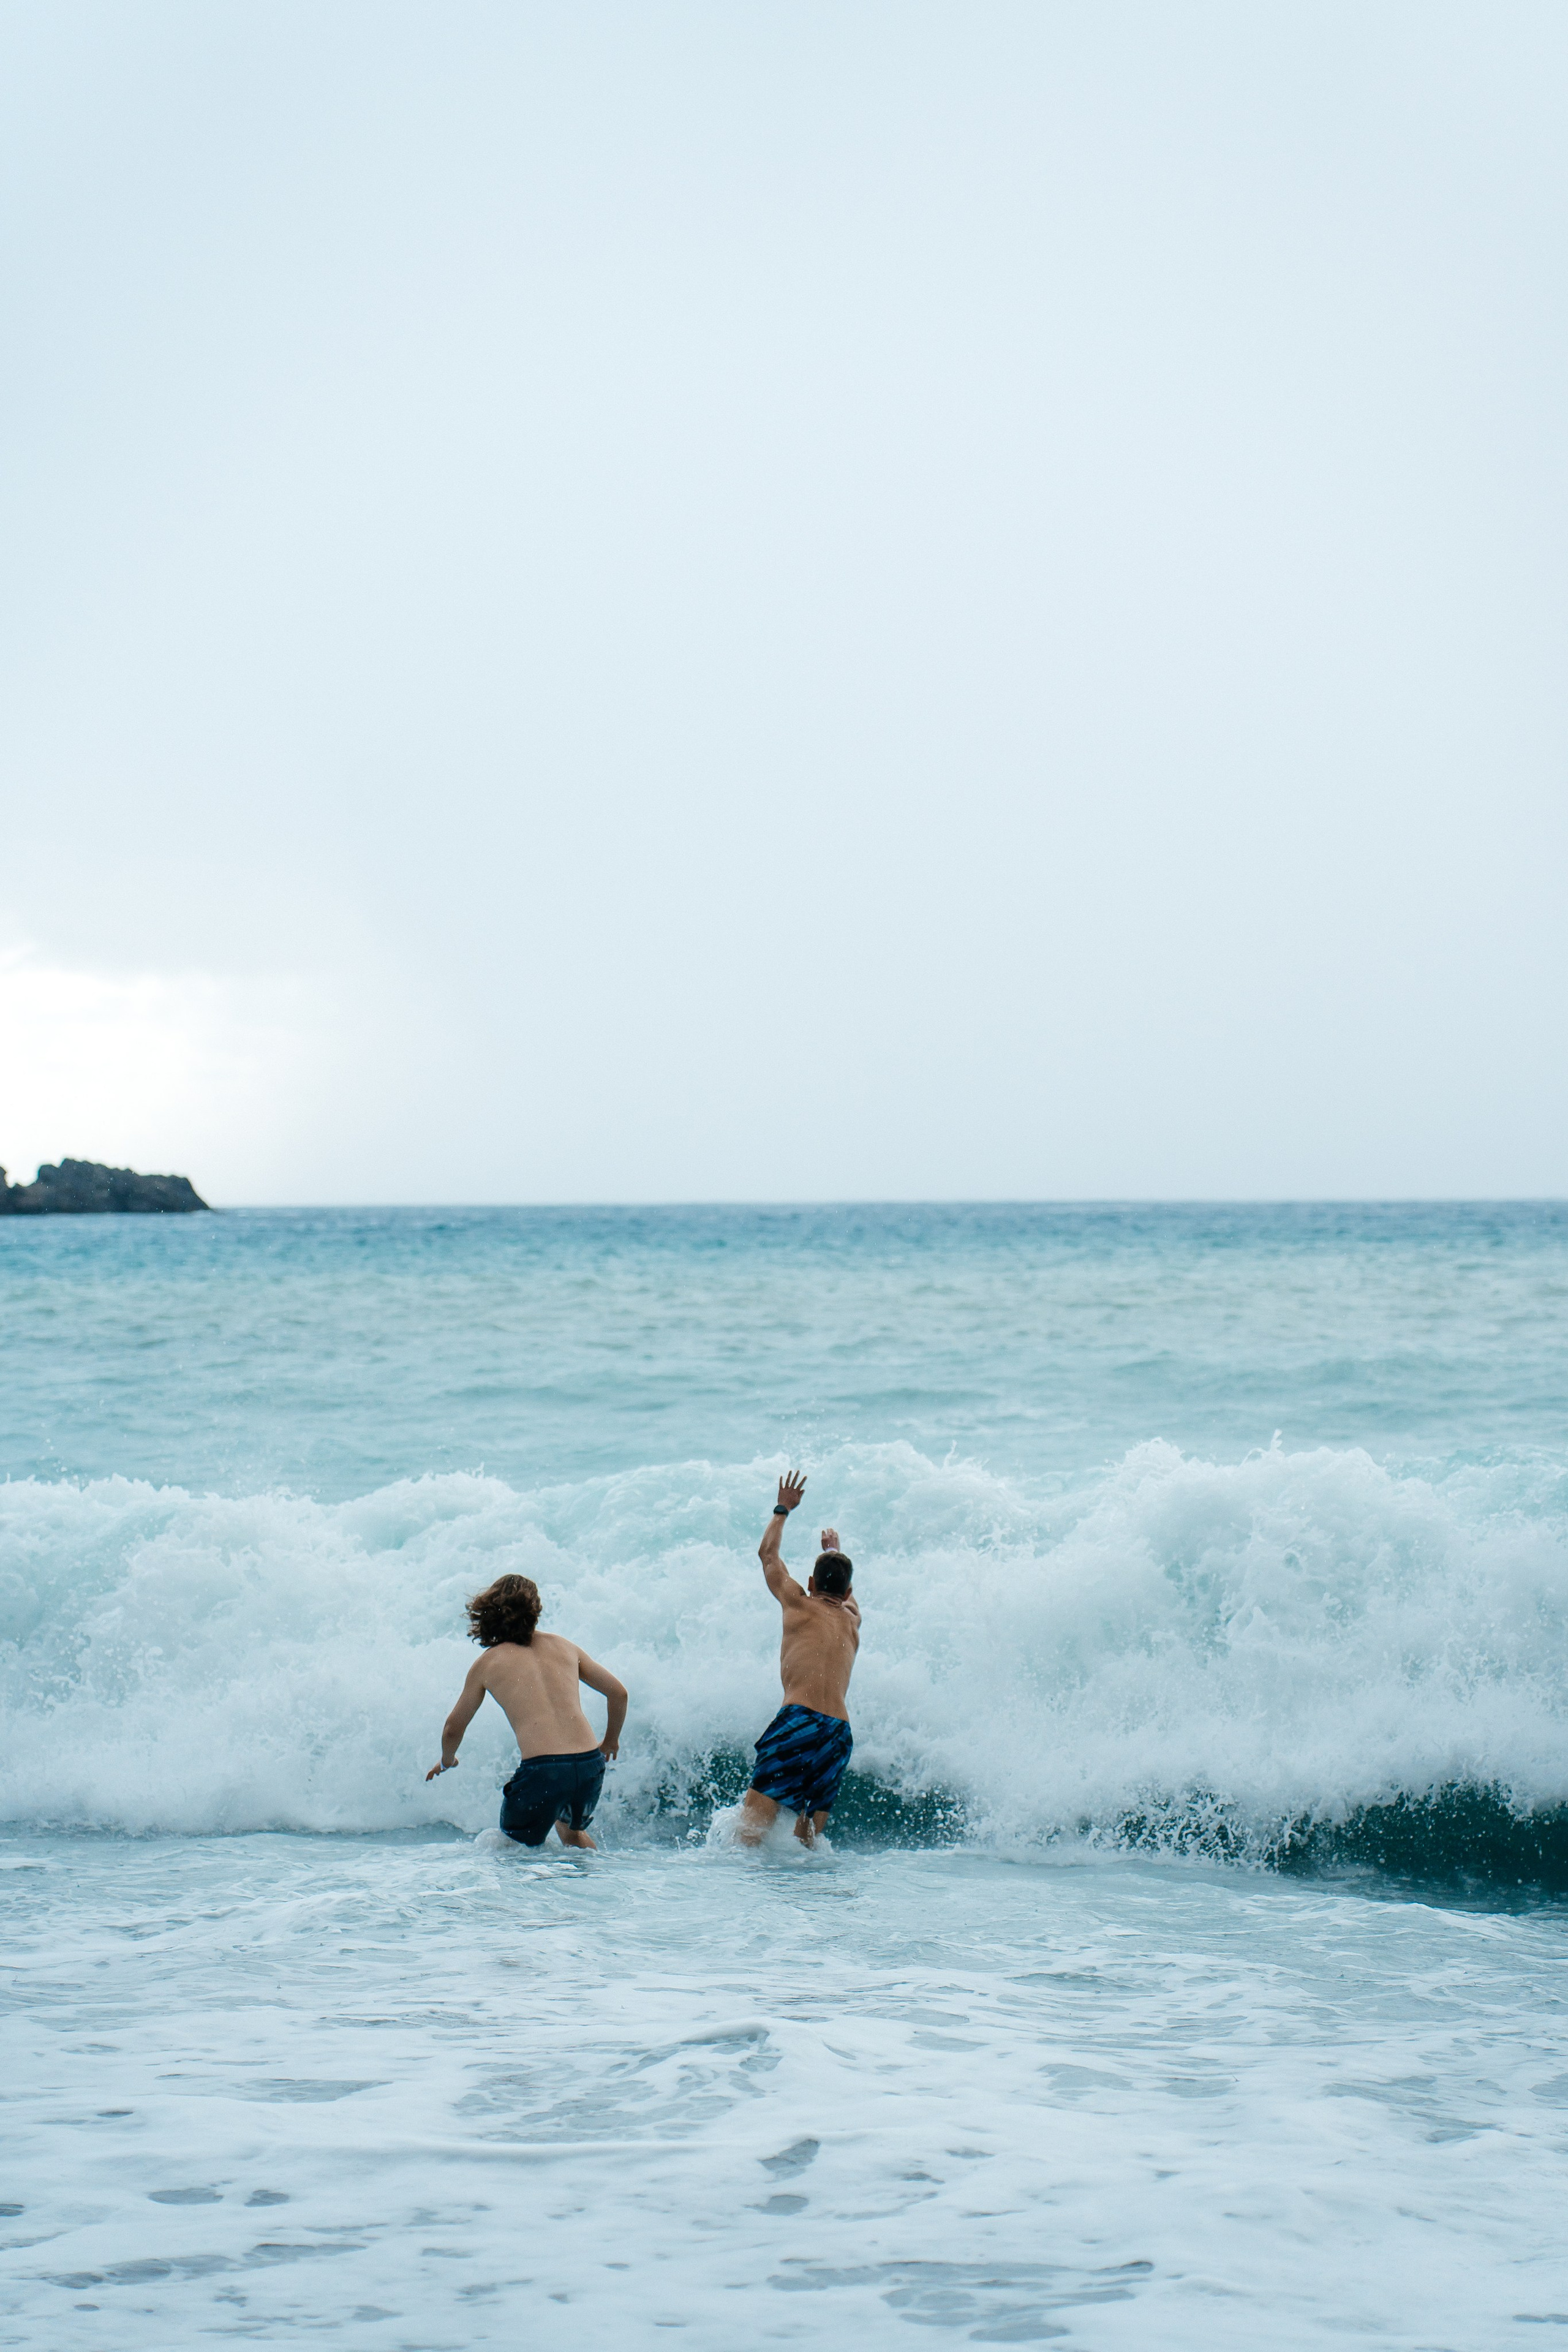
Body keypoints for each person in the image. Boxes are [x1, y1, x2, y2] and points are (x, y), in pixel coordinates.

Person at [426, 1572, 627, 1850]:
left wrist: (448, 1760)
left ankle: (524, 1895)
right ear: (536, 1611)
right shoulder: (566, 1647)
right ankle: (596, 1884)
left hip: (544, 1771)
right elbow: (618, 1693)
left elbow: (453, 1727)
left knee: (512, 1846)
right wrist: (611, 1741)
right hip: (589, 1764)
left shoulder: (488, 1663)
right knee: (571, 1834)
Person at [736, 1470, 861, 1847]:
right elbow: (845, 1590)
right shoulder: (854, 1620)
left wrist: (783, 1508)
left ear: (810, 1584)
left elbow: (768, 1555)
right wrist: (833, 1550)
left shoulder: (798, 1603)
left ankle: (739, 1901)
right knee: (808, 1843)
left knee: (749, 1833)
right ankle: (811, 1905)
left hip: (800, 1719)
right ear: (848, 1591)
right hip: (838, 1732)